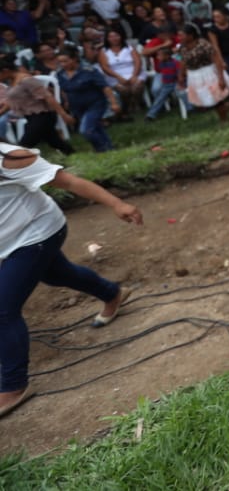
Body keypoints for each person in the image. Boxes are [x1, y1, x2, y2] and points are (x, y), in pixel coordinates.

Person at [0, 145, 142, 417]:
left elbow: (68, 181)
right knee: (57, 275)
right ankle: (112, 293)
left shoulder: (9, 159)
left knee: (3, 310)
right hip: (11, 241)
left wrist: (117, 204)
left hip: (37, 235)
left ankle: (13, 386)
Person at [55, 46, 118, 153]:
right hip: (77, 107)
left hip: (95, 104)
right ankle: (108, 148)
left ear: (74, 59)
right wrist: (66, 102)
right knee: (96, 127)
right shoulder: (60, 74)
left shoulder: (89, 71)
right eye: (60, 62)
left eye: (65, 61)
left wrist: (113, 103)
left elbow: (105, 87)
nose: (63, 64)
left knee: (86, 130)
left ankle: (102, 149)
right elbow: (64, 90)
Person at [176, 24, 229, 123]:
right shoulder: (182, 47)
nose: (179, 38)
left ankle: (224, 119)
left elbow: (216, 60)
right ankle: (224, 109)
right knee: (206, 98)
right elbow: (183, 61)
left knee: (216, 97)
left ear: (190, 35)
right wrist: (180, 75)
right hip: (194, 75)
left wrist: (221, 78)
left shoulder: (203, 44)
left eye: (182, 35)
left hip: (208, 72)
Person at [97, 29, 144, 121]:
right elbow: (105, 67)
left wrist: (134, 75)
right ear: (107, 39)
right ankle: (128, 107)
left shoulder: (129, 48)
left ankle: (135, 104)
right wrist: (118, 77)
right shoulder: (103, 51)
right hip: (114, 75)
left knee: (136, 87)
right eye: (111, 37)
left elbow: (138, 61)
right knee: (124, 90)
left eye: (116, 36)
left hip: (133, 72)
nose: (114, 39)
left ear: (121, 36)